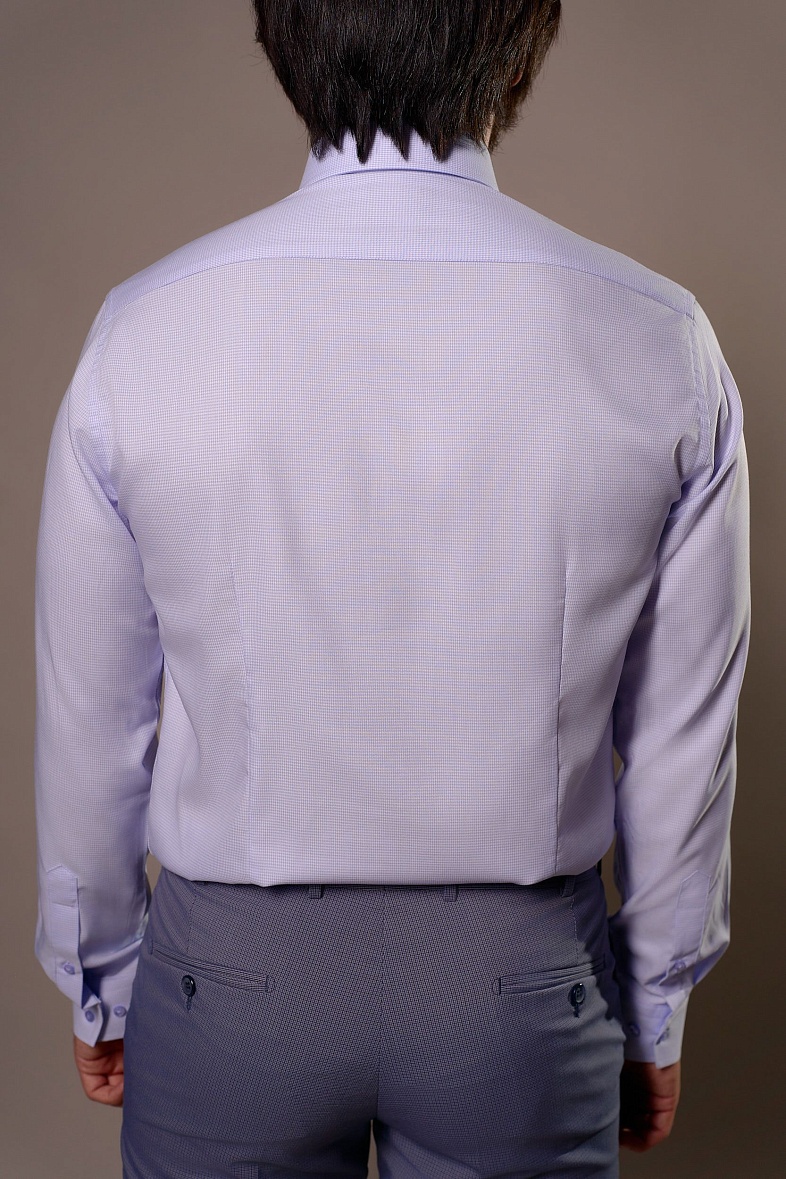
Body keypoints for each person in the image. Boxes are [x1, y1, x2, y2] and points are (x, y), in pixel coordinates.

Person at [33, 2, 750, 1176]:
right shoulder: (658, 338)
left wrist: (99, 974)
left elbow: (92, 717)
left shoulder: (144, 330)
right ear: (521, 40)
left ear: (285, 37)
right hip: (517, 991)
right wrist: (656, 997)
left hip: (233, 986)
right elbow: (681, 739)